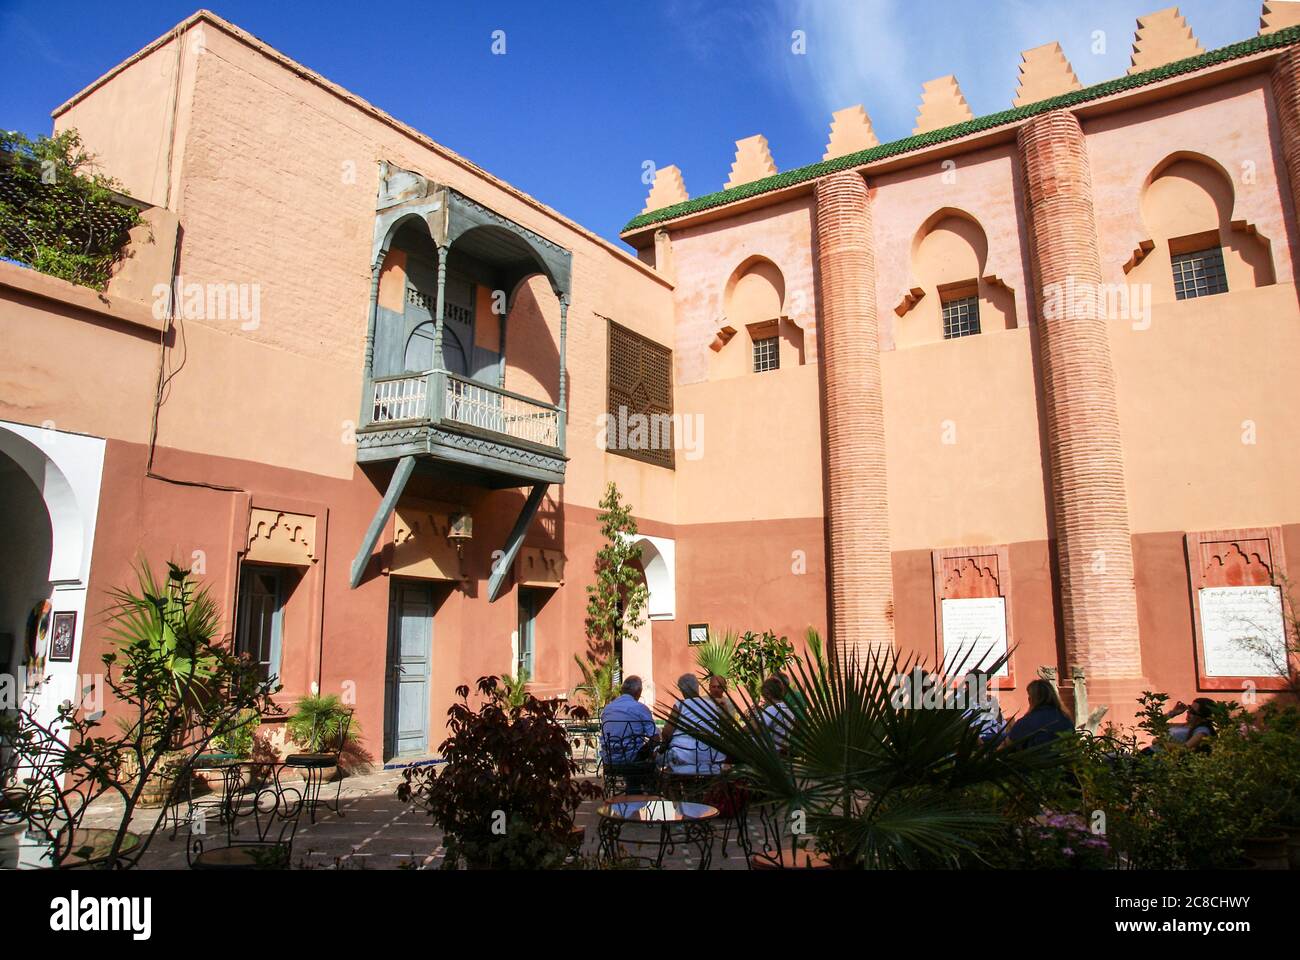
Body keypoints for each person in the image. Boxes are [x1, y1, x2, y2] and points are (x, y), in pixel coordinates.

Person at [659, 674, 723, 774]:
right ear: (697, 687)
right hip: (710, 757)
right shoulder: (711, 705)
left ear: (681, 690)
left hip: (683, 757)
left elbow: (666, 733)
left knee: (659, 759)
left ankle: (665, 788)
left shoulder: (680, 705)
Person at [600, 676, 657, 765]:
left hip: (609, 759)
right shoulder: (641, 708)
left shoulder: (608, 708)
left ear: (622, 690)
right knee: (656, 743)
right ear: (638, 691)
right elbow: (654, 737)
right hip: (632, 759)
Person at [1005, 678, 1074, 749]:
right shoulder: (1066, 719)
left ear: (1032, 699)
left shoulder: (1025, 722)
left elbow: (1008, 746)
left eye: (1029, 696)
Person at [963, 669, 1005, 743]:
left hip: (995, 736)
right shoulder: (961, 702)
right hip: (977, 739)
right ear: (968, 685)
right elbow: (965, 727)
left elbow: (1001, 726)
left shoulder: (989, 700)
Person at [756, 676, 795, 753]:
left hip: (768, 752)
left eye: (763, 695)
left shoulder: (772, 710)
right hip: (782, 750)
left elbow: (756, 728)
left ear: (768, 694)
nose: (764, 699)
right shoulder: (789, 710)